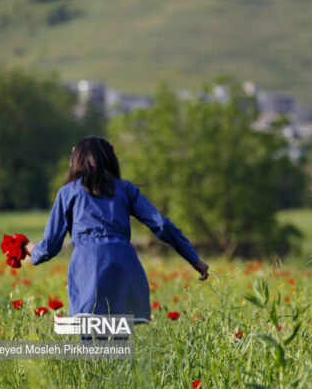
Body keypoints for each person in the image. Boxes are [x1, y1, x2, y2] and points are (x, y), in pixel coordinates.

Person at [25, 136, 209, 323]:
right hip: (125, 265)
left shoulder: (68, 192)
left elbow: (50, 247)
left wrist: (30, 249)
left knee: (92, 339)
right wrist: (194, 259)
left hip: (89, 267)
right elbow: (161, 224)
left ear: (77, 160)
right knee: (118, 341)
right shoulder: (126, 189)